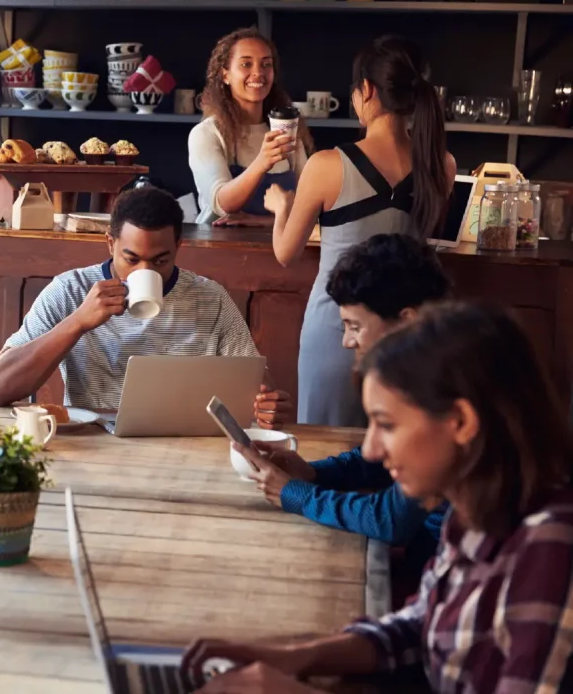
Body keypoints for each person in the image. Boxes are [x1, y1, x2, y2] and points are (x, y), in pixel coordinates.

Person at [186, 303, 573, 693]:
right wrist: (296, 656)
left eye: (386, 425)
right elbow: (422, 626)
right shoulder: (473, 507)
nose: (370, 450)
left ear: (460, 422)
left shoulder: (551, 546)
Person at [265, 35, 455, 427]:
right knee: (392, 453)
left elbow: (286, 253)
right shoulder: (443, 164)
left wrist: (282, 208)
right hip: (405, 333)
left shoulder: (326, 165)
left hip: (337, 330)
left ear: (366, 91)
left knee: (325, 454)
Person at [0, 187, 293, 427]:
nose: (144, 272)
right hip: (93, 444)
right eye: (131, 259)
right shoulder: (71, 291)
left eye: (160, 260)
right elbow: (0, 388)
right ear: (110, 244)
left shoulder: (210, 299)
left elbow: (257, 387)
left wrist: (265, 405)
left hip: (184, 445)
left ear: (178, 248)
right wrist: (78, 322)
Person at [242, 235, 451, 584]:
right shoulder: (430, 364)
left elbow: (390, 519)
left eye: (355, 326)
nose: (346, 341)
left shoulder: (443, 390)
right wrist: (313, 473)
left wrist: (295, 494)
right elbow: (382, 464)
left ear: (407, 320)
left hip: (434, 577)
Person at [188, 27, 314, 227]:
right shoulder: (206, 134)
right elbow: (222, 203)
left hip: (279, 251)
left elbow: (309, 207)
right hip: (218, 251)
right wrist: (262, 161)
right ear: (225, 75)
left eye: (266, 64)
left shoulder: (287, 131)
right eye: (246, 64)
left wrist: (260, 221)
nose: (258, 73)